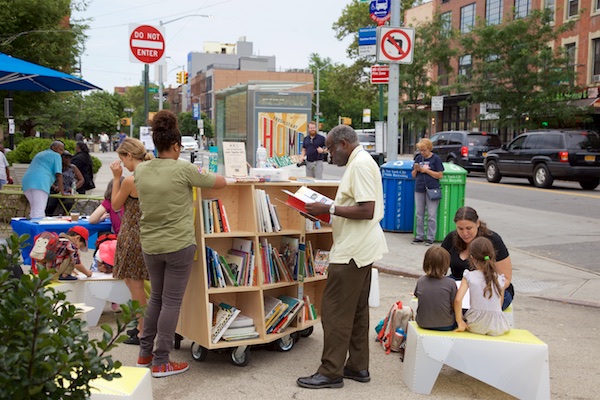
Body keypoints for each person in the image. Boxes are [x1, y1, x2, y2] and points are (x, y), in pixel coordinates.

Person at [134, 110, 227, 378]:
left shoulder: (141, 170)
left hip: (150, 244)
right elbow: (218, 182)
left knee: (156, 300)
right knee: (172, 302)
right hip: (178, 245)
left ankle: (144, 354)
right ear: (176, 146)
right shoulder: (184, 169)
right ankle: (162, 361)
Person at [297, 124, 388, 389]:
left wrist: (329, 207)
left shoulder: (359, 165)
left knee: (334, 311)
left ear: (344, 144)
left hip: (352, 250)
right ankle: (358, 366)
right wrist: (323, 212)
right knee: (357, 311)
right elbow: (356, 208)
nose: (328, 153)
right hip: (361, 247)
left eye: (331, 148)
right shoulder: (362, 162)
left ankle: (331, 371)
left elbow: (366, 209)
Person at [110, 138, 153, 346]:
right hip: (147, 233)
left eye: (123, 159)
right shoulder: (153, 173)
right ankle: (142, 327)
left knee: (135, 285)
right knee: (135, 283)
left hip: (132, 234)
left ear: (129, 155)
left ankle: (142, 329)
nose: (123, 164)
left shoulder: (131, 180)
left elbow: (116, 205)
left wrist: (117, 177)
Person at [441, 206, 514, 310]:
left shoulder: (494, 240)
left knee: (473, 309)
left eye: (468, 228)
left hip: (489, 287)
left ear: (477, 223)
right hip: (458, 283)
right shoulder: (451, 238)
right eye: (460, 229)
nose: (465, 233)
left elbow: (506, 278)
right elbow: (439, 268)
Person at [454, 237, 511, 336]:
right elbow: (499, 303)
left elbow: (458, 299)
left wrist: (459, 321)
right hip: (498, 326)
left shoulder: (469, 276)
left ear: (471, 258)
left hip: (475, 324)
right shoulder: (499, 279)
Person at [414, 246, 457, 331]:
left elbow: (417, 295)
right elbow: (454, 304)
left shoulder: (421, 280)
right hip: (447, 324)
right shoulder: (451, 283)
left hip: (422, 322)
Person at [21, 141, 68, 219]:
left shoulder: (40, 154)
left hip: (27, 182)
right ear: (53, 148)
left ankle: (31, 229)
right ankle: (39, 230)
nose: (62, 152)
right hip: (40, 183)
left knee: (34, 209)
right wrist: (62, 192)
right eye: (60, 149)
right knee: (39, 210)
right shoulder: (56, 155)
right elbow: (59, 175)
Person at [412, 138, 444, 245]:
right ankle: (419, 236)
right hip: (419, 188)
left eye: (424, 150)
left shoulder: (436, 159)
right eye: (420, 150)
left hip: (432, 188)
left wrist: (426, 171)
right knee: (419, 213)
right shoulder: (418, 158)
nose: (422, 152)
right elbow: (413, 175)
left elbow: (439, 175)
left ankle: (430, 237)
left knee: (431, 214)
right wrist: (416, 169)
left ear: (429, 149)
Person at [45, 151, 84, 216]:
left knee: (68, 204)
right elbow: (47, 179)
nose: (68, 160)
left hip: (67, 191)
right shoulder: (55, 167)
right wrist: (55, 187)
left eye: (69, 158)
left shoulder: (73, 167)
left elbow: (81, 179)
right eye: (66, 158)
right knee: (51, 205)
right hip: (55, 191)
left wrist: (73, 188)